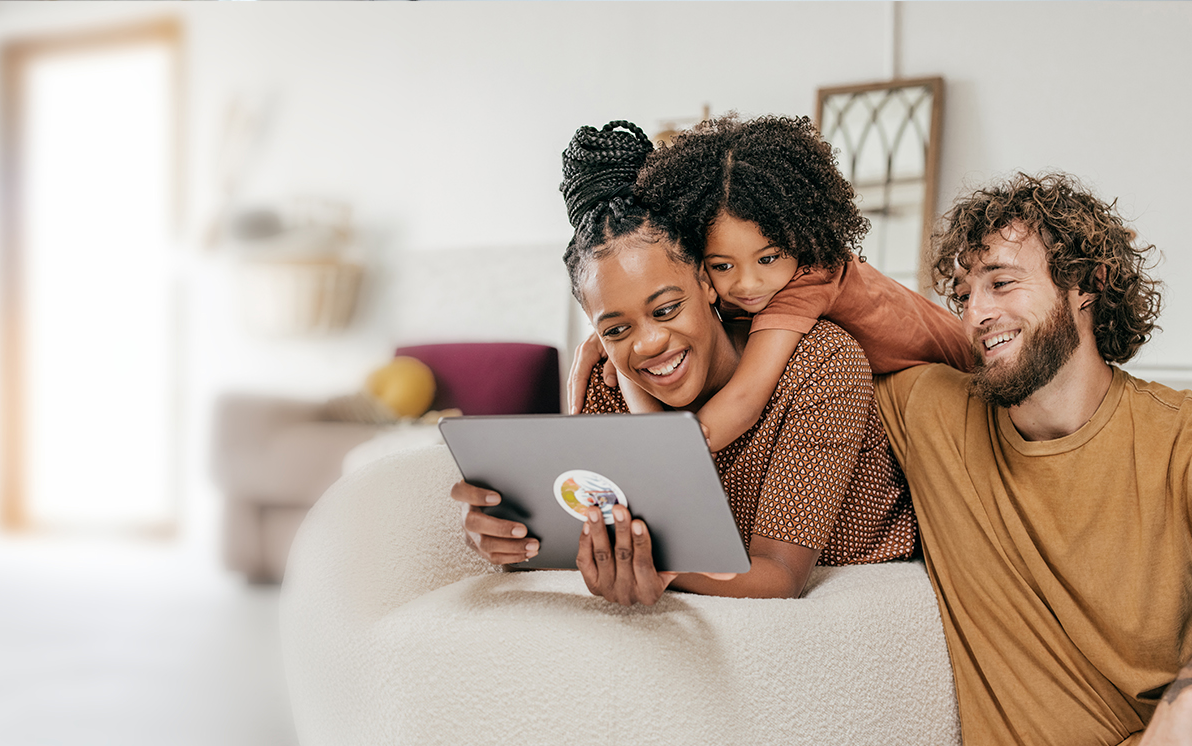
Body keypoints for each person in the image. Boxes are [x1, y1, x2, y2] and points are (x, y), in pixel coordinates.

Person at [452, 120, 917, 605]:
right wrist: (518, 536)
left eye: (666, 309)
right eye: (616, 329)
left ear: (706, 280)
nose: (649, 343)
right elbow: (593, 526)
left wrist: (660, 567)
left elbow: (778, 576)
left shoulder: (818, 362)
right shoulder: (608, 384)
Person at [876, 172, 1190, 745]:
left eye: (1001, 282)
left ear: (1086, 286)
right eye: (964, 294)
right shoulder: (933, 413)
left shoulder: (1179, 437)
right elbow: (831, 301)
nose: (975, 314)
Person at [567, 115, 972, 454]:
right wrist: (613, 339)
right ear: (701, 270)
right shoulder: (758, 287)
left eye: (768, 258)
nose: (747, 284)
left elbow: (742, 404)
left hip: (968, 370)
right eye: (722, 266)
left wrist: (653, 442)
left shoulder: (807, 281)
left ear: (800, 236)